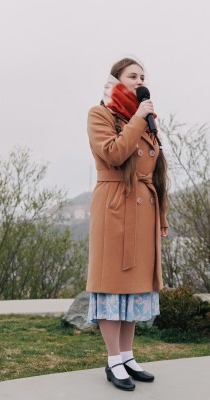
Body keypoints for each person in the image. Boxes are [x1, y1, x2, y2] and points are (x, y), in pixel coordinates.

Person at [85, 57, 169, 391]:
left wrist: (162, 215)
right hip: (115, 207)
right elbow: (114, 154)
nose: (140, 81)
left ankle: (127, 356)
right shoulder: (100, 114)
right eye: (133, 75)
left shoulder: (144, 120)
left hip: (143, 209)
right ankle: (112, 360)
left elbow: (156, 172)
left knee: (133, 288)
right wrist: (137, 119)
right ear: (117, 80)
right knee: (112, 285)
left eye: (143, 76)